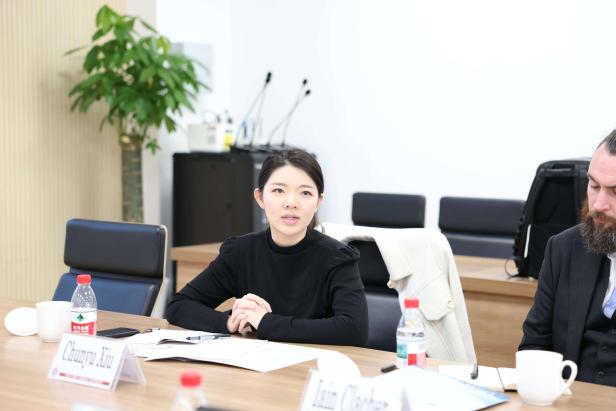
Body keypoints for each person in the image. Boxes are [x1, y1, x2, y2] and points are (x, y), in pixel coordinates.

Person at [166, 149, 369, 346]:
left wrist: (264, 322)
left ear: (318, 202)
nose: (291, 203)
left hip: (315, 364)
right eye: (279, 190)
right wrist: (228, 322)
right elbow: (179, 306)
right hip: (255, 364)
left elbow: (354, 329)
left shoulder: (337, 258)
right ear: (260, 197)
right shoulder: (240, 252)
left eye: (305, 193)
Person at [519, 131, 616, 387]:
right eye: (594, 186)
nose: (598, 205)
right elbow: (535, 344)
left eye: (615, 192)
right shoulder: (563, 249)